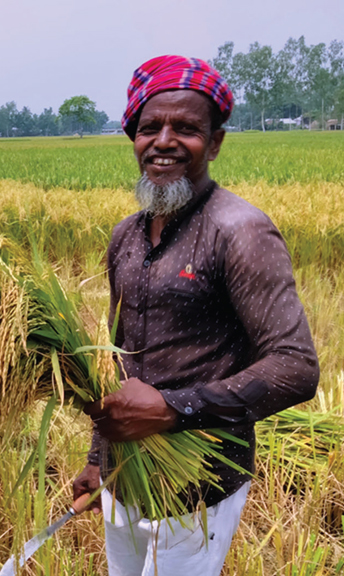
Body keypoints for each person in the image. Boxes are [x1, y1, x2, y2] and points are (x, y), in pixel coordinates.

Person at [71, 55, 319, 576]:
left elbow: (296, 367)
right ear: (132, 138)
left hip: (198, 483)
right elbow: (119, 361)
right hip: (126, 474)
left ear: (216, 141)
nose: (164, 141)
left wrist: (170, 409)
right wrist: (99, 459)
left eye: (186, 128)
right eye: (149, 128)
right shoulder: (125, 237)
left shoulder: (240, 231)